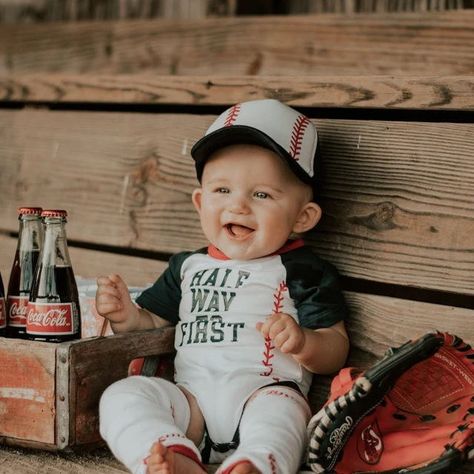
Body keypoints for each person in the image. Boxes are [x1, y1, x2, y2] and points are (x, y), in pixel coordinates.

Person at [97, 99, 350, 474]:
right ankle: (173, 456)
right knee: (122, 395)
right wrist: (126, 315)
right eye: (222, 191)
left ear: (303, 216)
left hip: (263, 393)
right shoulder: (187, 267)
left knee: (282, 417)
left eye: (261, 194)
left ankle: (253, 464)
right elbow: (151, 326)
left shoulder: (300, 269)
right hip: (190, 403)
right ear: (200, 203)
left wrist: (304, 343)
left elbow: (336, 347)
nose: (238, 206)